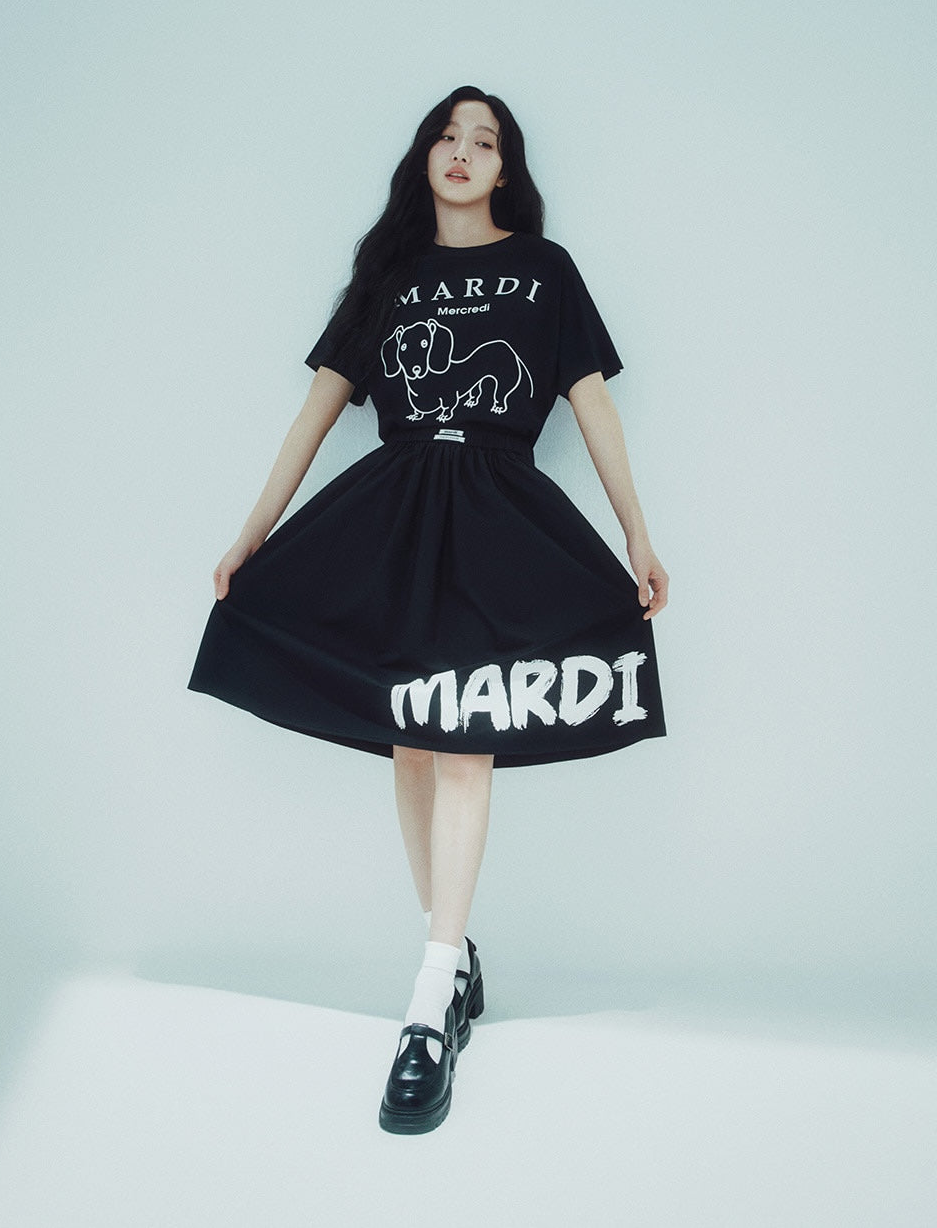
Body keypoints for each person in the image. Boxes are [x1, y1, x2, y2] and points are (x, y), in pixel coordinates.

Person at [188, 85, 668, 1134]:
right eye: (447, 136)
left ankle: (426, 1005)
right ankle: (452, 961)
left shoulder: (545, 270)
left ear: (505, 170)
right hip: (397, 515)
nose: (461, 152)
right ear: (424, 157)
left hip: (499, 517)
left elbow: (591, 403)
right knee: (412, 742)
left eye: (483, 141)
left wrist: (636, 531)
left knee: (463, 741)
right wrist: (252, 532)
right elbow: (315, 415)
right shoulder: (388, 277)